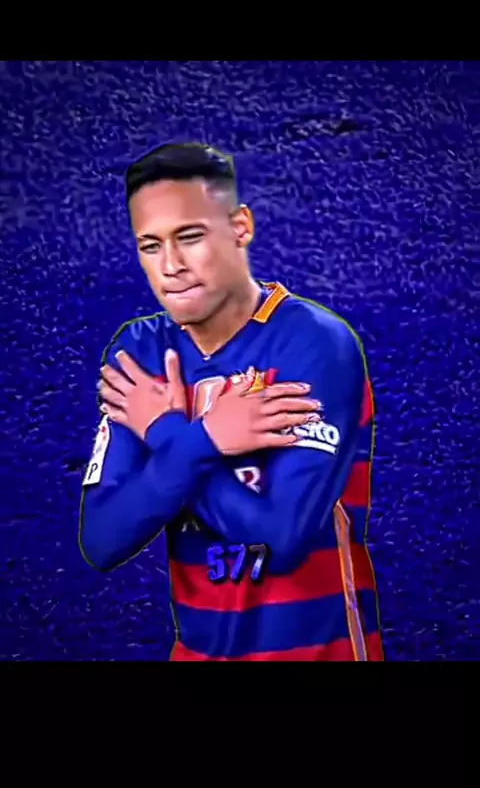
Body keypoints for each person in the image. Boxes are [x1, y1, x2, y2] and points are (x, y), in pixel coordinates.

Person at [79, 142, 384, 661]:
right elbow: (103, 539)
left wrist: (167, 435)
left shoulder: (315, 344)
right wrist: (207, 440)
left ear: (240, 226)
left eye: (190, 237)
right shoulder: (141, 351)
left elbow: (282, 539)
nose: (170, 266)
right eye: (150, 245)